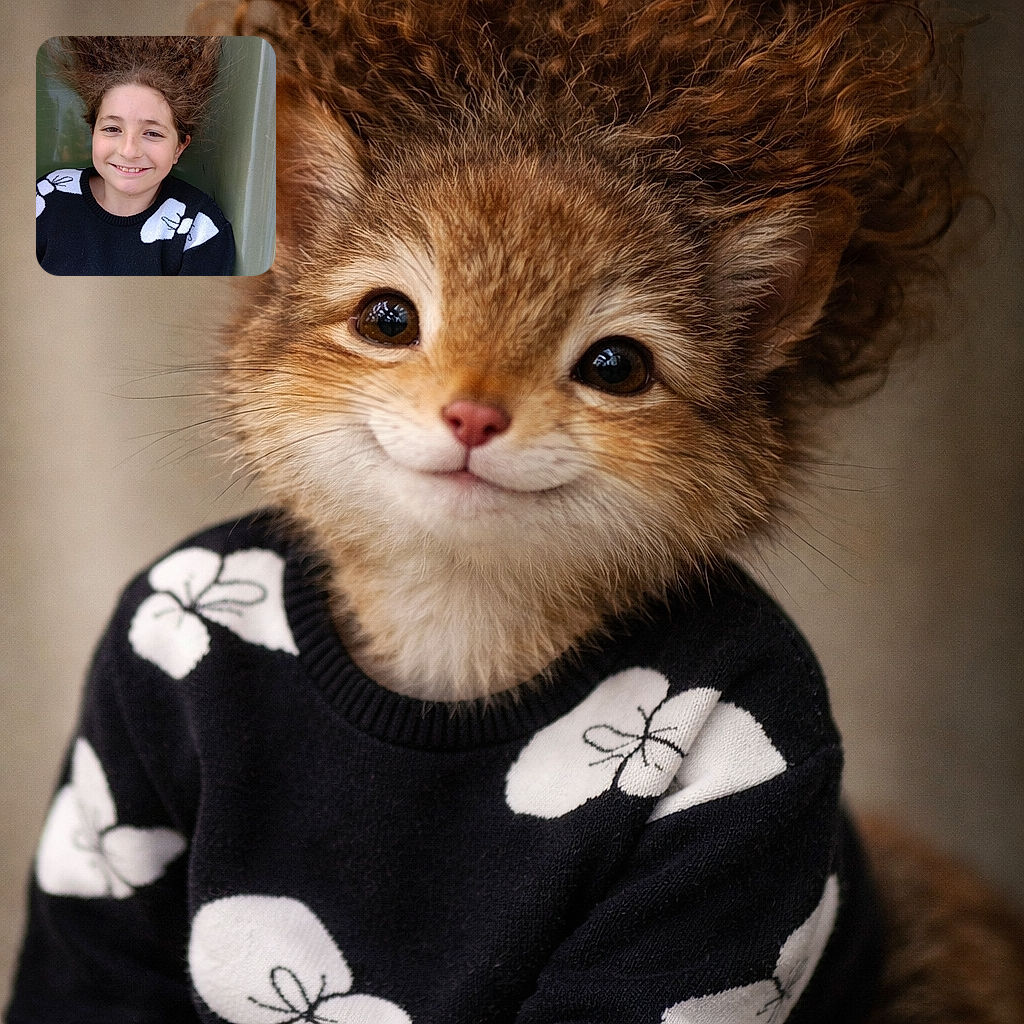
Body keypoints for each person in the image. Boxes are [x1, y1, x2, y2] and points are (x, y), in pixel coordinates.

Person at [36, 36, 236, 276]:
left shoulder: (199, 228)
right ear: (93, 132)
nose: (129, 151)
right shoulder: (48, 196)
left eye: (152, 133)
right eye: (112, 129)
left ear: (179, 147)